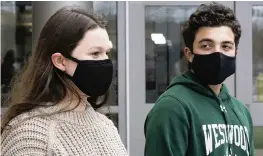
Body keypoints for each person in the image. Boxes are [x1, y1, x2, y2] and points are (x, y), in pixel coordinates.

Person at [1, 6, 127, 156]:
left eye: (107, 52)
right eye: (95, 53)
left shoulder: (106, 126)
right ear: (60, 61)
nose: (105, 61)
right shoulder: (29, 136)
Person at [144, 2, 255, 156]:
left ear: (235, 52)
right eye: (206, 46)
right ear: (189, 54)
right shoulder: (172, 108)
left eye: (226, 46)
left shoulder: (241, 111)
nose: (218, 53)